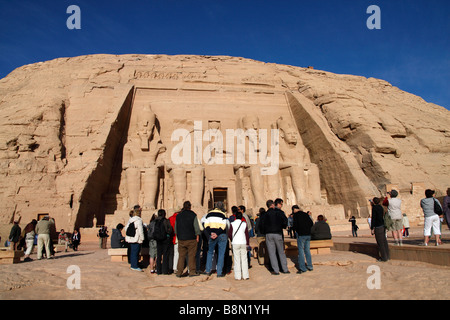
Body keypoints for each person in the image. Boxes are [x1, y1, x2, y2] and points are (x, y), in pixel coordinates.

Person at [175, 201, 201, 277]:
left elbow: (176, 228)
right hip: (191, 238)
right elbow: (196, 227)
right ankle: (192, 272)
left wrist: (179, 235)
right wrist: (197, 236)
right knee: (191, 256)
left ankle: (179, 272)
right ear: (190, 207)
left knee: (181, 256)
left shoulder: (178, 216)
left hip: (181, 239)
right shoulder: (193, 215)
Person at [263, 199, 289, 275]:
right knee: (281, 252)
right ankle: (285, 269)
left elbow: (262, 225)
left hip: (269, 234)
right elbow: (285, 221)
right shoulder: (279, 213)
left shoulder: (265, 214)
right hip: (278, 233)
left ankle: (276, 270)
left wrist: (265, 232)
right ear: (273, 205)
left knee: (272, 253)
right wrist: (282, 226)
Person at [204, 201, 229, 277]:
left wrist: (211, 233)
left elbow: (206, 225)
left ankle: (208, 270)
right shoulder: (223, 214)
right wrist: (217, 233)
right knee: (221, 254)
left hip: (212, 235)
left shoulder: (209, 214)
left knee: (210, 252)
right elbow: (223, 226)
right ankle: (219, 272)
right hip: (221, 235)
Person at [228, 210, 250, 280]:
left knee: (237, 260)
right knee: (244, 259)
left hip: (235, 242)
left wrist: (232, 240)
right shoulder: (244, 224)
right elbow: (246, 235)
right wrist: (247, 244)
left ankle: (238, 276)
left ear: (235, 217)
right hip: (243, 242)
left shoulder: (232, 224)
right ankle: (245, 275)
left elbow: (229, 234)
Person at [292, 205, 313, 273]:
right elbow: (311, 223)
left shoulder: (296, 215)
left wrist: (297, 231)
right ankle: (310, 266)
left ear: (294, 210)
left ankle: (302, 268)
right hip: (308, 234)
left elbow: (295, 225)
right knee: (307, 250)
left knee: (301, 251)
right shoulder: (305, 214)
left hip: (301, 234)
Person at [125, 206, 145, 271]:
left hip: (131, 238)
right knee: (135, 252)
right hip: (136, 239)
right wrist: (142, 238)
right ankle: (134, 266)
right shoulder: (138, 220)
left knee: (133, 252)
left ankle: (134, 264)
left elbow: (126, 228)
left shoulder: (131, 220)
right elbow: (140, 230)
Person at [153, 209, 173, 275]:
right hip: (165, 239)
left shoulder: (155, 221)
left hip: (158, 239)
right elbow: (169, 229)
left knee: (159, 255)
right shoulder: (166, 221)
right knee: (165, 255)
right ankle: (164, 270)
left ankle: (158, 270)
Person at [370, 197, 390, 262]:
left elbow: (374, 218)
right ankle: (387, 256)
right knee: (384, 241)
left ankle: (384, 258)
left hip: (378, 227)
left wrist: (372, 228)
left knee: (380, 243)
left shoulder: (374, 208)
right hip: (382, 225)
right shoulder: (381, 207)